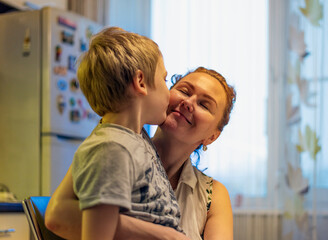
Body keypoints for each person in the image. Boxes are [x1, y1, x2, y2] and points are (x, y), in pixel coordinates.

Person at [45, 66, 236, 240]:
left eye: (204, 105)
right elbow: (57, 216)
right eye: (184, 91)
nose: (188, 102)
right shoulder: (115, 142)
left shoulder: (213, 194)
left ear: (212, 137)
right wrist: (164, 236)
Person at [66, 26, 187, 240]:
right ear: (141, 82)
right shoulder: (111, 148)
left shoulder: (135, 139)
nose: (169, 92)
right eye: (165, 79)